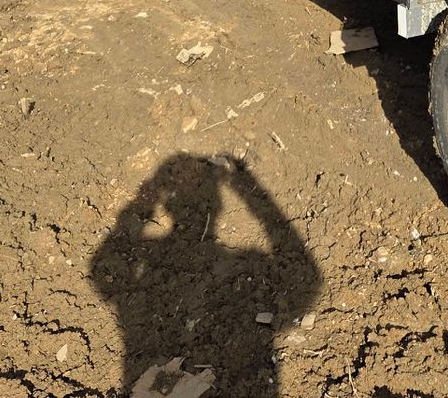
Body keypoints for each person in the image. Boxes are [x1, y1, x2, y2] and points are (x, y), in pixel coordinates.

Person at [92, 153, 320, 397]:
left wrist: (146, 198)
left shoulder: (150, 256)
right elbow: (307, 280)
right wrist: (245, 187)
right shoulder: (248, 264)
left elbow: (103, 270)